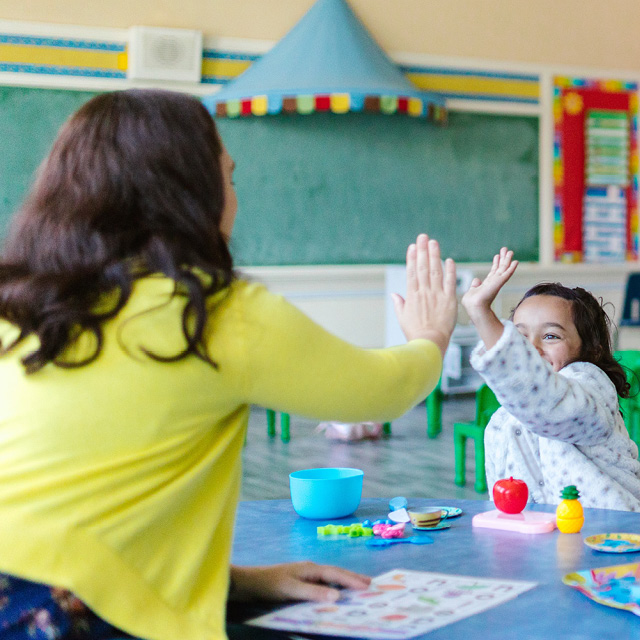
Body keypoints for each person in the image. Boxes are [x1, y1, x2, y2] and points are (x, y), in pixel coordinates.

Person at [0, 89, 458, 640]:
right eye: (229, 177)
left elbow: (80, 514)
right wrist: (430, 338)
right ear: (188, 194)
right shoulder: (211, 313)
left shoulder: (21, 306)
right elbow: (380, 392)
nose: (234, 197)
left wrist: (235, 582)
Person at [462, 247, 640, 511]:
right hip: (544, 539)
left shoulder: (591, 386)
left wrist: (482, 315)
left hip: (610, 535)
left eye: (551, 336)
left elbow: (548, 404)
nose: (531, 348)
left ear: (590, 350)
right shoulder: (504, 418)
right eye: (520, 337)